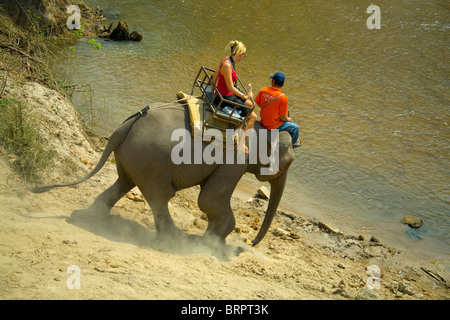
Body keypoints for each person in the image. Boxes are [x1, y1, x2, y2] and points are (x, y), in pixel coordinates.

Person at [212, 40, 257, 131]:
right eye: (244, 54)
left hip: (227, 93)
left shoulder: (226, 58)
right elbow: (230, 88)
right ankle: (241, 143)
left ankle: (241, 125)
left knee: (251, 104)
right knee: (253, 117)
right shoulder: (227, 66)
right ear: (240, 54)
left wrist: (213, 90)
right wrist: (245, 96)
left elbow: (215, 75)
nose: (243, 57)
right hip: (226, 96)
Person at [254, 72, 301, 149]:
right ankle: (294, 143)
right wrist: (288, 119)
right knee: (295, 127)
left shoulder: (264, 90)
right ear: (282, 84)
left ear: (273, 81)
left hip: (263, 121)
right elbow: (282, 117)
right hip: (273, 125)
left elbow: (259, 103)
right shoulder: (283, 98)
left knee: (289, 122)